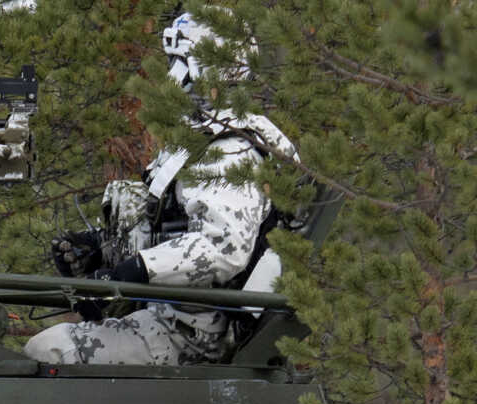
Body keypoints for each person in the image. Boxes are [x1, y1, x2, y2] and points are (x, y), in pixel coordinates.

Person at [25, 12, 295, 367]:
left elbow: (222, 248)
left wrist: (135, 270)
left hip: (197, 334)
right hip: (179, 317)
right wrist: (98, 250)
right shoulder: (208, 135)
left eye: (176, 63)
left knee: (50, 352)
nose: (169, 77)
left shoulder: (230, 150)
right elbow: (172, 230)